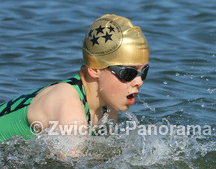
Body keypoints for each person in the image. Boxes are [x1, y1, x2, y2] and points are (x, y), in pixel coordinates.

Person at [0, 14, 149, 144]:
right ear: (95, 69)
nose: (139, 82)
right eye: (128, 73)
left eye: (143, 72)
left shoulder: (107, 111)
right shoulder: (67, 105)